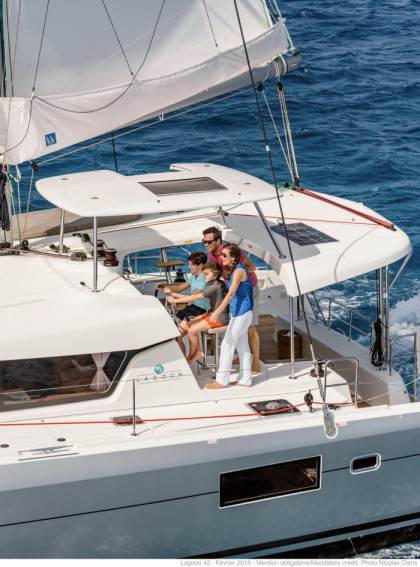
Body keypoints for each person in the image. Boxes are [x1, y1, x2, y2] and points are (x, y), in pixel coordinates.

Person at [202, 226, 261, 374]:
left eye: (209, 242)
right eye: (204, 242)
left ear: (218, 241)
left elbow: (252, 267)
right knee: (240, 328)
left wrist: (232, 274)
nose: (206, 244)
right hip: (234, 291)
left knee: (250, 326)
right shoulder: (211, 254)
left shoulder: (230, 251)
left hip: (248, 289)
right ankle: (243, 356)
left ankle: (256, 361)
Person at [205, 243, 254, 389]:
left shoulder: (239, 271)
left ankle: (222, 380)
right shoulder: (235, 270)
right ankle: (246, 379)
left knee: (227, 344)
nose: (221, 257)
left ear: (233, 257)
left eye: (225, 255)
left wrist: (217, 311)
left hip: (242, 313)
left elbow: (231, 293)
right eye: (221, 254)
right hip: (240, 313)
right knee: (242, 346)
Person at [168, 262, 229, 363]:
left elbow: (195, 298)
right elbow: (194, 297)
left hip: (219, 318)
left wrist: (175, 299)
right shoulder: (216, 283)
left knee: (192, 331)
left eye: (207, 274)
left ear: (215, 274)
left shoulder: (214, 286)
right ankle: (199, 351)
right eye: (204, 273)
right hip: (210, 314)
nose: (204, 276)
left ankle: (191, 356)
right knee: (189, 324)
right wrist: (175, 295)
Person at [159, 251, 208, 356]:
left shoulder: (204, 279)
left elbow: (193, 298)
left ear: (200, 265)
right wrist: (164, 287)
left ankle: (186, 360)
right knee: (173, 332)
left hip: (199, 310)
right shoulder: (193, 277)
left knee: (177, 336)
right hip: (190, 307)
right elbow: (179, 287)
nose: (189, 267)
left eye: (192, 265)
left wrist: (174, 297)